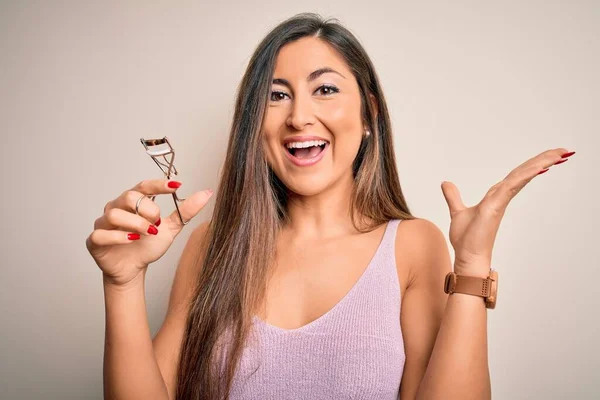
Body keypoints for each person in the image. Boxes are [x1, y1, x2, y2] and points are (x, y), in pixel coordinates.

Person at [85, 12, 575, 400]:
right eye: (277, 96)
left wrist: (470, 270)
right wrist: (122, 284)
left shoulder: (411, 246)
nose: (300, 116)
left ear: (368, 114)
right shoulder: (211, 247)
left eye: (325, 89)